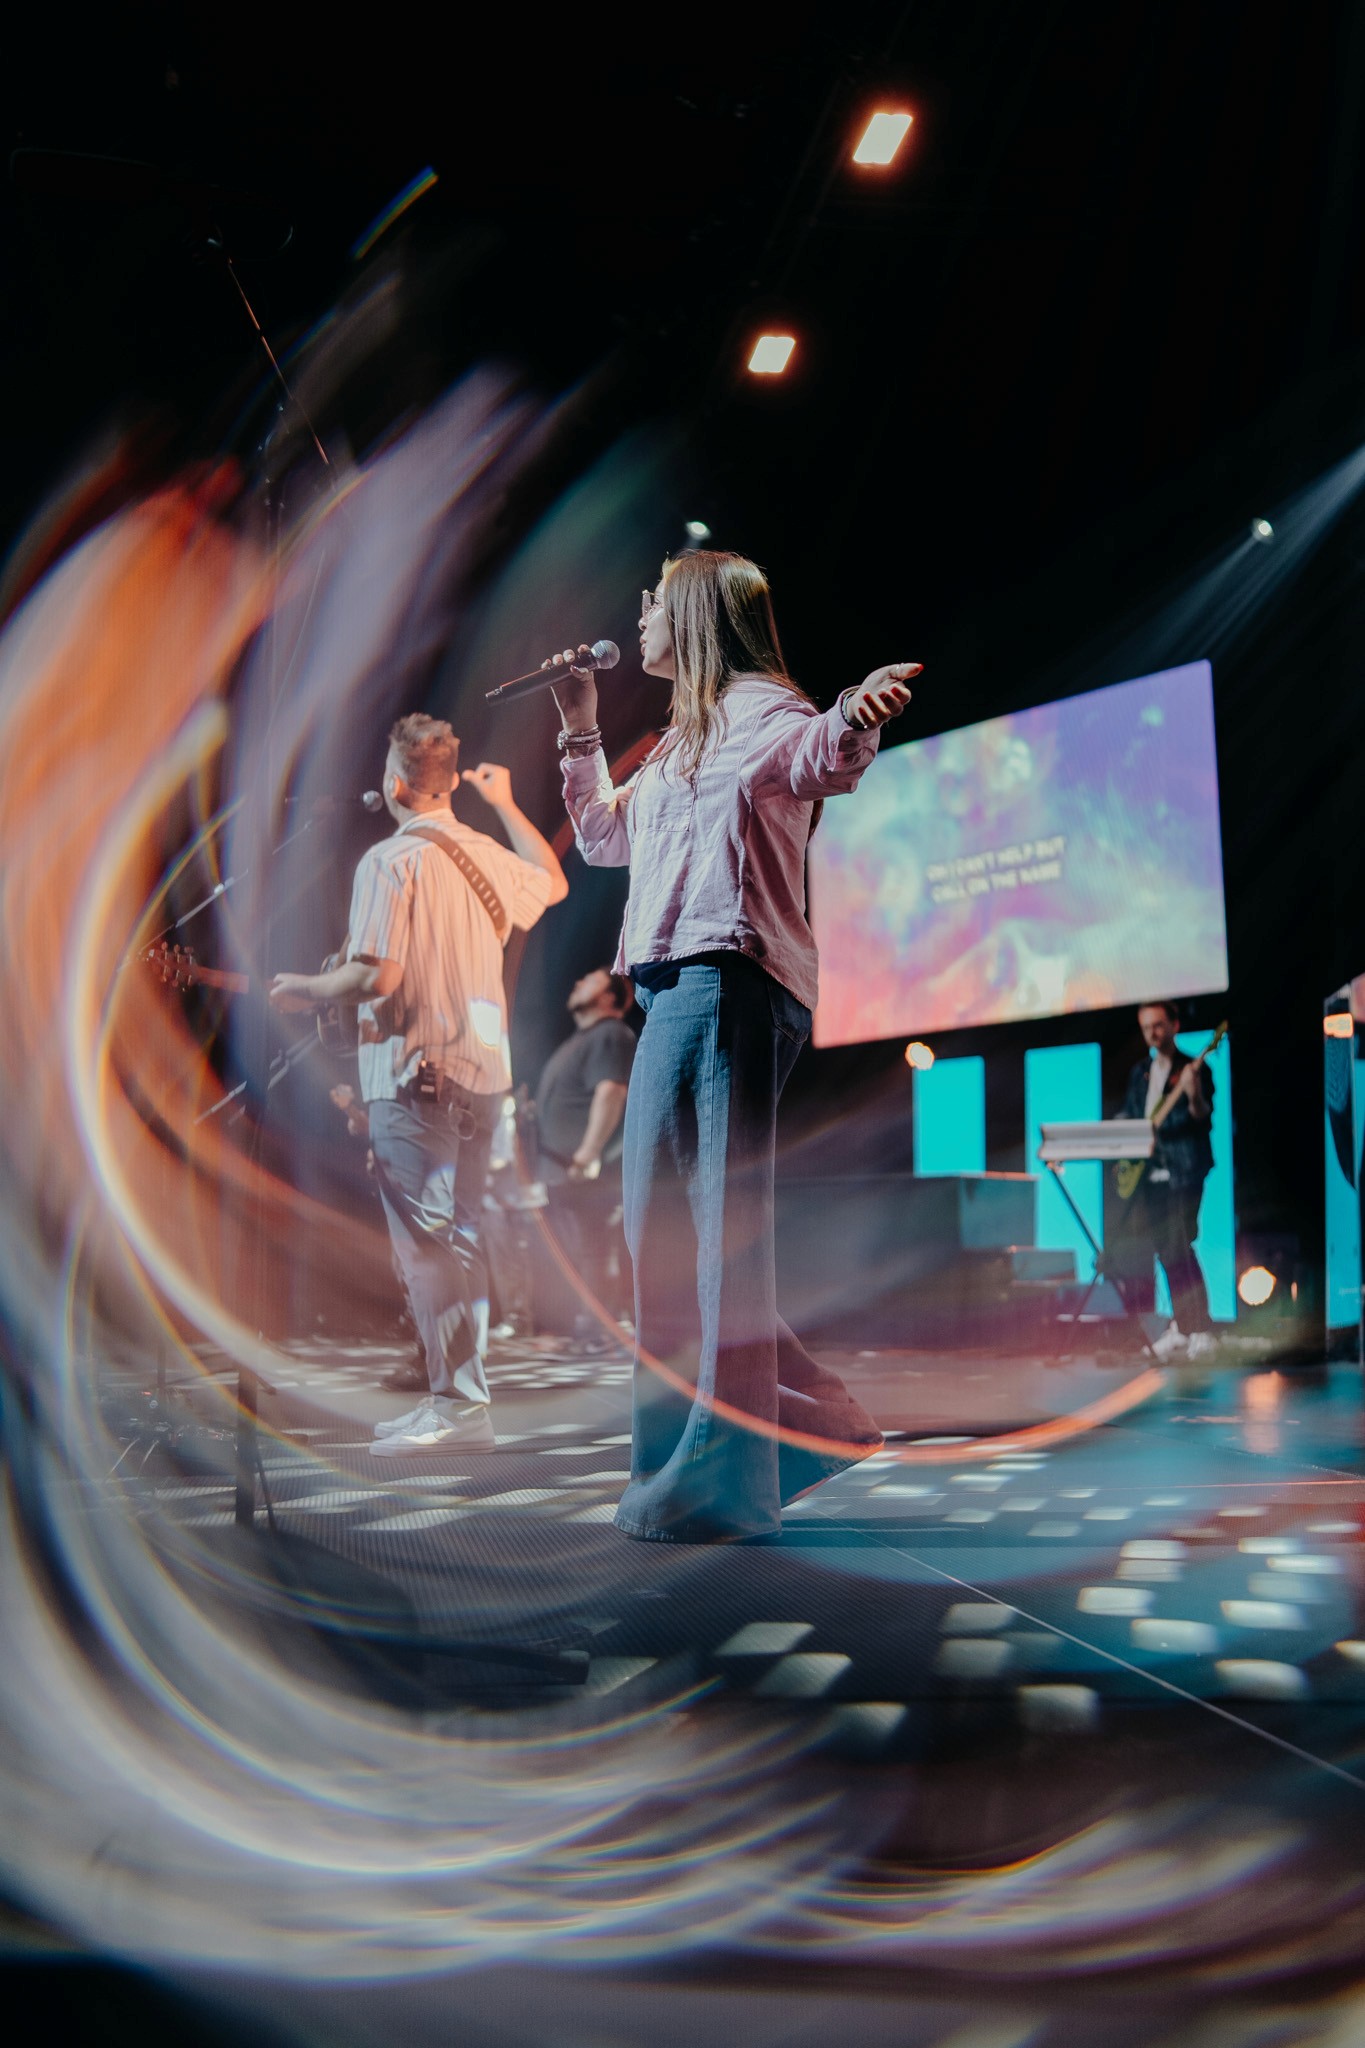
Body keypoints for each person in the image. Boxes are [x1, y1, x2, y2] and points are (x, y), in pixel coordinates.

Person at [546, 550, 920, 1541]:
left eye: (654, 602)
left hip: (731, 984)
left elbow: (820, 755)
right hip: (676, 990)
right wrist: (581, 725)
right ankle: (801, 1424)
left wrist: (856, 712)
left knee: (708, 1234)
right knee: (664, 1237)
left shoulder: (767, 714)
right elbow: (599, 840)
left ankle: (722, 1480)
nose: (637, 614)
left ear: (701, 615)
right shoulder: (680, 740)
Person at [270, 713, 566, 1454]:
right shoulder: (485, 852)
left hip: (414, 1077)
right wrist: (500, 802)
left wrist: (305, 987)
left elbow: (376, 974)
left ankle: (457, 1410)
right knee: (459, 1242)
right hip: (482, 1077)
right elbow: (554, 882)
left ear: (395, 784)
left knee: (430, 1250)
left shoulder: (388, 861)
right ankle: (462, 1407)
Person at [534, 968, 636, 1354]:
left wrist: (589, 1153)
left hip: (588, 1171)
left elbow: (611, 1092)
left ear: (610, 997)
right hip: (567, 1171)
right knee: (583, 1250)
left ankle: (599, 1333)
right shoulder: (583, 1039)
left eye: (588, 980)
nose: (577, 983)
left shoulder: (611, 1034)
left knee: (595, 1248)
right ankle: (589, 1330)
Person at [1115, 1000, 1216, 1360]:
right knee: (1165, 1248)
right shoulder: (1140, 1072)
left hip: (1185, 1168)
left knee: (1181, 1243)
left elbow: (1202, 1117)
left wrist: (1193, 1092)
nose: (1153, 1034)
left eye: (1158, 1025)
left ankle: (1200, 1327)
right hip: (1150, 1171)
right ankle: (1182, 1326)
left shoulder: (1192, 1068)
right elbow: (1131, 1112)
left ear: (1174, 1024)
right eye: (1146, 1028)